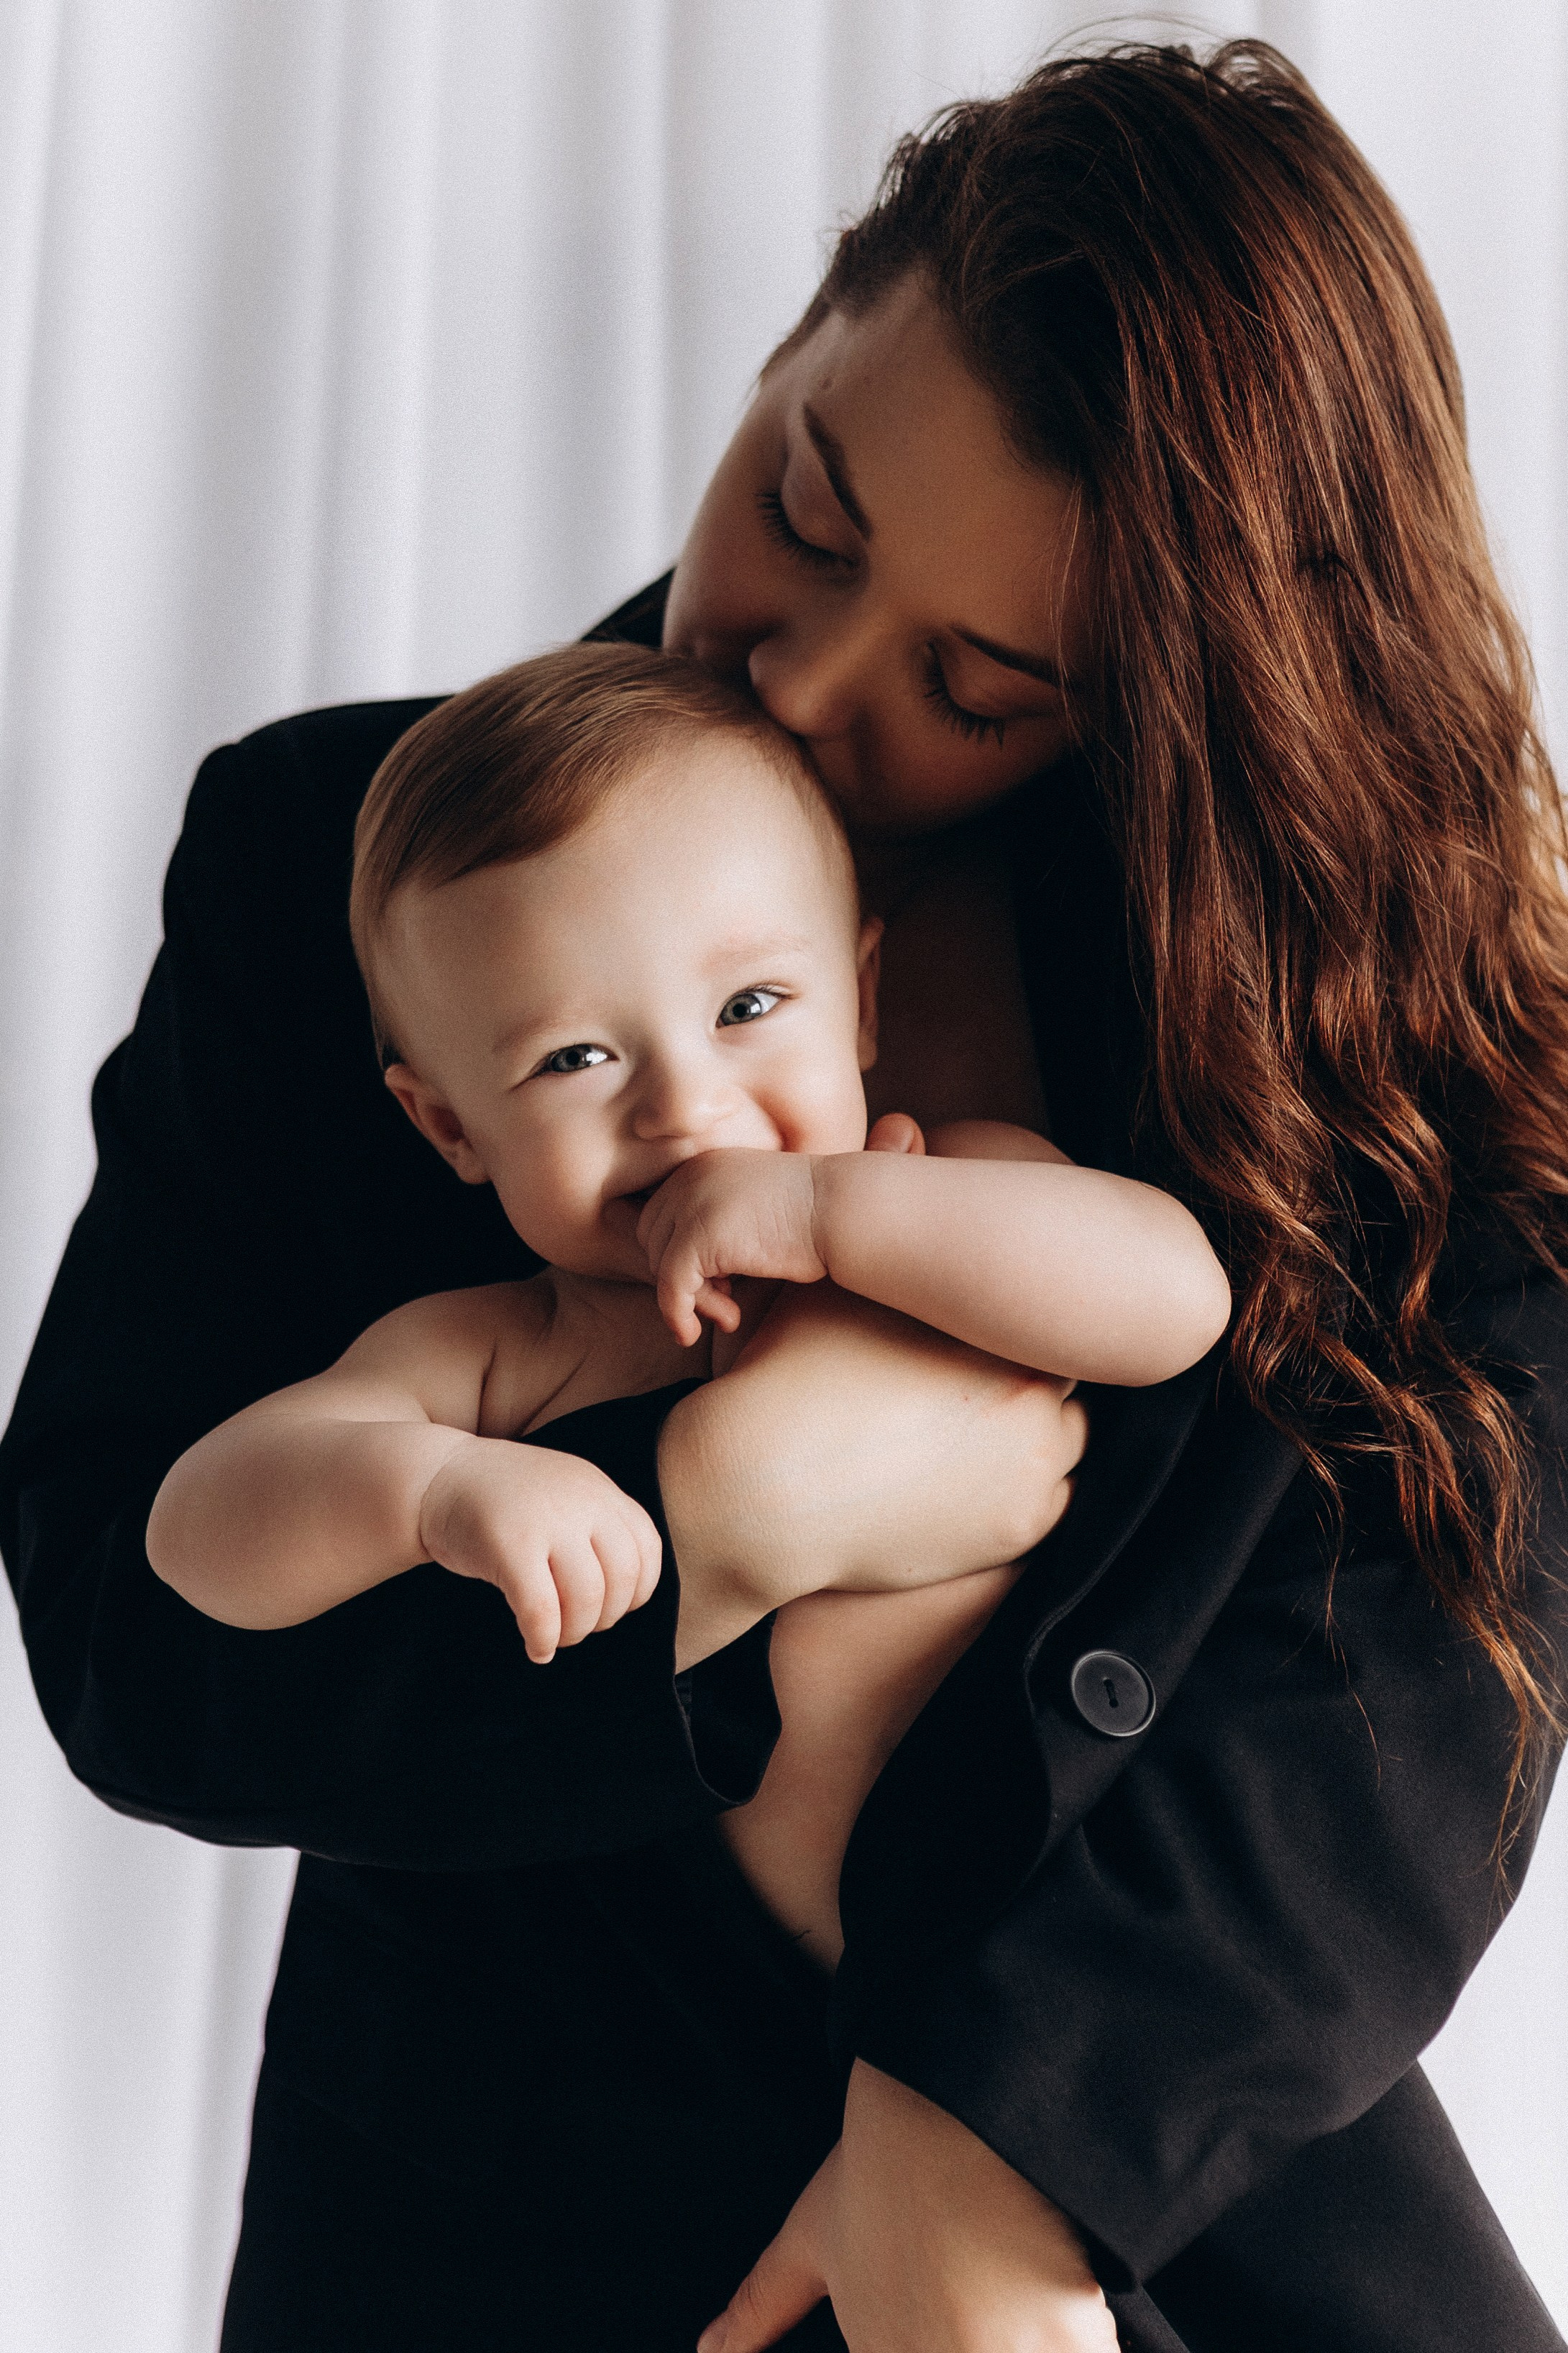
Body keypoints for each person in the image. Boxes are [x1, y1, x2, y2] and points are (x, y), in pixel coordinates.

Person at [4, 37, 1567, 2353]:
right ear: (800, 327)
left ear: (1149, 684)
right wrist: (717, 1525)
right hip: (498, 2227)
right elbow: (134, 1650)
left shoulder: (1340, 1006)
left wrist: (997, 2144)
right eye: (808, 511)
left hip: (1173, 2197)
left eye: (978, 682)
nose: (803, 680)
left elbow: (1432, 1667)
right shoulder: (338, 864)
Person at [147, 642, 1229, 1970]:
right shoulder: (509, 1346)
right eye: (574, 1057)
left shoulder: (942, 1188)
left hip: (1096, 1935)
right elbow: (193, 1538)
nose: (684, 1106)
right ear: (450, 1129)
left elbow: (1176, 1302)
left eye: (748, 1005)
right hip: (724, 2006)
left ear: (862, 1000)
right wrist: (433, 1492)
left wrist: (830, 1215)